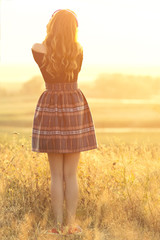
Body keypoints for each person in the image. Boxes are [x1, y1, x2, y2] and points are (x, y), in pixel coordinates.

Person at [31, 9, 98, 235]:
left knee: (56, 175)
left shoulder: (38, 49)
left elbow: (41, 45)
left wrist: (52, 32)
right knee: (71, 174)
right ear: (74, 28)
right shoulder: (78, 50)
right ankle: (71, 225)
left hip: (51, 106)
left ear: (52, 25)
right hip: (73, 105)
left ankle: (58, 227)